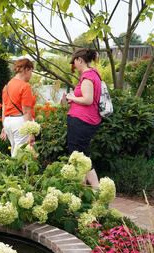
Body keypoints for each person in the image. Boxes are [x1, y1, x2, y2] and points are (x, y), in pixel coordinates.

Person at [62, 48, 102, 189]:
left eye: (75, 62)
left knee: (78, 156)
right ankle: (83, 189)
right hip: (86, 120)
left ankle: (96, 188)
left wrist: (71, 97)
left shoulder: (87, 76)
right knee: (81, 155)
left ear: (80, 60)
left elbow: (88, 99)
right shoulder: (94, 74)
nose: (74, 66)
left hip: (82, 121)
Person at [0, 58, 37, 156]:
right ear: (26, 70)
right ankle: (14, 171)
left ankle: (16, 170)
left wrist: (4, 127)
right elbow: (26, 112)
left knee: (15, 151)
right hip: (20, 122)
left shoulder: (7, 86)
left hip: (8, 122)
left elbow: (4, 109)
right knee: (21, 155)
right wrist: (31, 132)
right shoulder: (25, 86)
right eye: (31, 72)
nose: (31, 75)